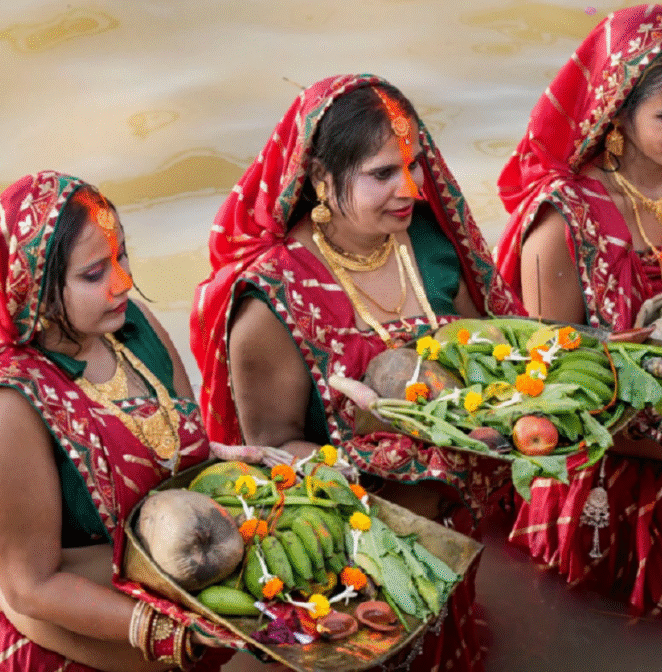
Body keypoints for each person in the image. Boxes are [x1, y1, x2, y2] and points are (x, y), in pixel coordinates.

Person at [190, 74, 521, 670]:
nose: (411, 190)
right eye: (382, 174)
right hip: (356, 560)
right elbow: (271, 456)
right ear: (319, 178)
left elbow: (490, 350)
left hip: (450, 529)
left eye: (414, 167)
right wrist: (384, 446)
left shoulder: (430, 243)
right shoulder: (275, 298)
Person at [494, 5, 662, 617]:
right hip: (607, 478)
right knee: (595, 617)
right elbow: (556, 381)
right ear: (617, 114)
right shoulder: (564, 222)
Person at [0, 172, 246, 671]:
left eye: (121, 256)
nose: (122, 282)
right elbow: (30, 587)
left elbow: (182, 459)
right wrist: (165, 633)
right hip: (73, 642)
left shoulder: (133, 329)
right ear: (34, 288)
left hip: (185, 589)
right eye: (94, 274)